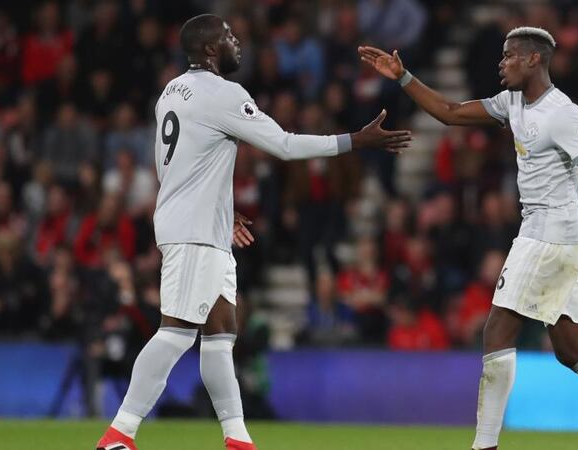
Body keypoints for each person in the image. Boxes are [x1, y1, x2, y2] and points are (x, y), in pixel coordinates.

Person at [359, 26, 578, 450]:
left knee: (497, 329)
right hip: (561, 236)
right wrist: (404, 77)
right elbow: (449, 111)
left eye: (509, 55)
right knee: (573, 351)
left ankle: (484, 446)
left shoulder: (562, 113)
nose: (501, 63)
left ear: (534, 59)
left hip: (549, 234)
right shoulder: (512, 102)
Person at [96, 13, 411, 450]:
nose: (236, 42)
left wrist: (223, 209)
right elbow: (282, 144)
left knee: (221, 333)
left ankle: (237, 439)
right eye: (227, 36)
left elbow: (184, 160)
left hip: (202, 223)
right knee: (176, 333)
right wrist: (354, 141)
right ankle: (119, 434)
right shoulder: (223, 94)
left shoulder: (171, 90)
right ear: (210, 49)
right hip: (195, 231)